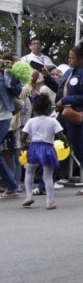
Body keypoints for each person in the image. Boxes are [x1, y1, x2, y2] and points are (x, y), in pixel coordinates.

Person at [55, 41, 83, 196]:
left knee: (79, 150)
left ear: (82, 59)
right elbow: (60, 90)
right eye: (69, 58)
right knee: (52, 146)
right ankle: (46, 182)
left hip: (74, 115)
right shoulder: (69, 72)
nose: (69, 60)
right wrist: (47, 79)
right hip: (61, 114)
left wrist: (65, 101)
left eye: (72, 58)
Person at [20, 95, 69, 210]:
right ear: (49, 108)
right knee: (47, 176)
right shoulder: (53, 121)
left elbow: (23, 137)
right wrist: (66, 143)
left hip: (34, 147)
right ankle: (49, 201)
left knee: (29, 172)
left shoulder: (31, 121)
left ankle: (28, 196)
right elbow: (61, 135)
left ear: (35, 108)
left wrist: (26, 143)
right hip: (48, 148)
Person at [0, 55, 24, 199]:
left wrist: (11, 73)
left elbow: (17, 91)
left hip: (3, 117)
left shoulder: (6, 74)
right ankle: (12, 186)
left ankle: (12, 185)